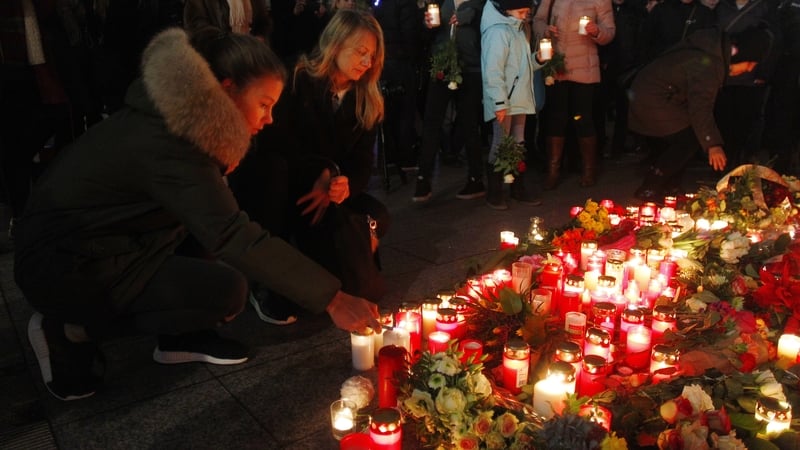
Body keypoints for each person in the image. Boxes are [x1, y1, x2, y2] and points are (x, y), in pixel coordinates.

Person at [14, 28, 381, 401]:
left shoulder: (181, 122)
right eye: (265, 104)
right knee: (225, 292)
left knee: (213, 239)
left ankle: (179, 336)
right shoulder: (170, 142)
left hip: (107, 243)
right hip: (62, 264)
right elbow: (234, 235)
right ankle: (68, 329)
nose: (270, 119)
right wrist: (334, 299)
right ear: (226, 90)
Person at [231, 10, 389, 323]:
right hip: (289, 181)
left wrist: (343, 186)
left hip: (330, 190)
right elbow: (277, 140)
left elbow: (361, 162)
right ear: (336, 43)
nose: (367, 63)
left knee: (377, 216)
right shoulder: (295, 78)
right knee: (274, 178)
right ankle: (265, 281)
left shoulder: (365, 99)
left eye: (372, 56)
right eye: (360, 52)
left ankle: (334, 268)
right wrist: (322, 172)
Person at [628, 28, 770, 201]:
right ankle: (651, 186)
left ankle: (669, 185)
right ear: (740, 56)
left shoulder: (713, 52)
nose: (749, 69)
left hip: (653, 94)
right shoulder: (709, 66)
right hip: (653, 99)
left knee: (688, 136)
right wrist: (713, 144)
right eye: (750, 63)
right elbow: (700, 108)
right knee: (690, 138)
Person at [533, 0, 615, 190]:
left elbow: (609, 31)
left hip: (585, 67)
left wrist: (597, 32)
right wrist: (546, 30)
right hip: (558, 66)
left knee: (583, 118)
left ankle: (588, 169)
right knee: (556, 118)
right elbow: (537, 21)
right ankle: (553, 170)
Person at [412, 0, 487, 203]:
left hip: (470, 69)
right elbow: (425, 37)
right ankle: (423, 180)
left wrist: (473, 16)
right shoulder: (441, 3)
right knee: (432, 122)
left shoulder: (481, 4)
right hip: (441, 68)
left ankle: (475, 178)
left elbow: (491, 26)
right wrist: (428, 26)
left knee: (469, 123)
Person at [480, 0, 544, 209]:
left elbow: (521, 67)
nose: (524, 15)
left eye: (526, 11)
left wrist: (538, 60)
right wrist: (499, 102)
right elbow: (493, 71)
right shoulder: (498, 33)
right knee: (500, 144)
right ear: (506, 9)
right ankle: (495, 192)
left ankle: (518, 188)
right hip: (504, 101)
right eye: (521, 11)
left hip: (518, 99)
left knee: (518, 143)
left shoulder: (515, 29)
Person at [183, 0, 273, 41]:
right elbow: (197, 29)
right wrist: (230, 45)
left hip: (252, 55)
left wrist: (260, 38)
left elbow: (263, 21)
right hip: (220, 60)